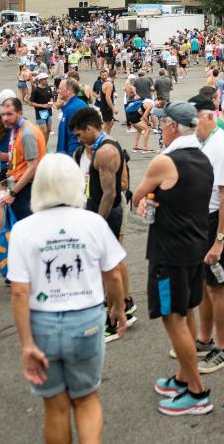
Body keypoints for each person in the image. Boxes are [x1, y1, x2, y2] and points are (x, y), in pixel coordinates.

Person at [7, 154, 126, 444]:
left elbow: (19, 291)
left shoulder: (23, 230)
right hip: (86, 318)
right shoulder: (93, 223)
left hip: (43, 323)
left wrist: (26, 345)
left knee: (55, 406)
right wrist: (118, 308)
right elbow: (113, 275)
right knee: (86, 399)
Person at [134, 102, 215, 416]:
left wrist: (149, 199)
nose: (158, 129)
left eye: (161, 124)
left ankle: (197, 391)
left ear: (171, 126)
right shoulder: (203, 158)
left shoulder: (165, 161)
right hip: (194, 246)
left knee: (173, 319)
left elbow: (139, 195)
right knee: (186, 311)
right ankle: (183, 376)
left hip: (169, 252)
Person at [69, 106, 138, 342]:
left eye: (79, 134)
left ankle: (112, 320)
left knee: (107, 268)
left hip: (107, 213)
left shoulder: (106, 151)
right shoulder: (84, 150)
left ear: (90, 128)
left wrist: (96, 223)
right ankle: (124, 306)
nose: (77, 139)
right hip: (92, 211)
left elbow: (109, 193)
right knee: (109, 265)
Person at [185, 95, 224, 374]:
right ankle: (205, 339)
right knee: (206, 285)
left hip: (217, 223)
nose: (191, 126)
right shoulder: (204, 142)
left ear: (208, 116)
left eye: (194, 121)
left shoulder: (222, 147)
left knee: (218, 287)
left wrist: (219, 241)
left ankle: (223, 347)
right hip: (202, 221)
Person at [0, 97, 47, 222]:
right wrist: (2, 155)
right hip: (21, 186)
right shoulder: (18, 129)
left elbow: (33, 167)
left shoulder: (27, 133)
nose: (5, 118)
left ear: (20, 113)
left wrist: (12, 193)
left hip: (26, 190)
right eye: (3, 114)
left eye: (9, 114)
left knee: (25, 230)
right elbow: (22, 158)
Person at [56, 77, 89, 157]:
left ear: (69, 90)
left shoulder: (72, 109)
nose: (58, 91)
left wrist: (72, 158)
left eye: (60, 88)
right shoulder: (74, 105)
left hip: (69, 157)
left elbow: (74, 137)